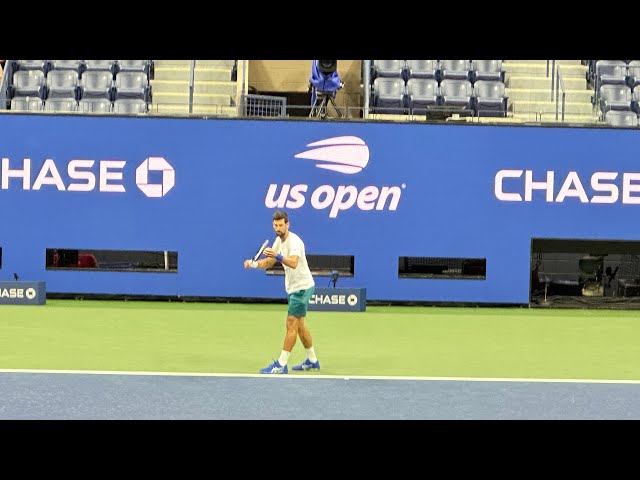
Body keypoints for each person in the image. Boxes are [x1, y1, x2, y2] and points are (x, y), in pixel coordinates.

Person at [243, 210, 320, 374]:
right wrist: (254, 264)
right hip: (294, 288)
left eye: (281, 225)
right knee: (299, 326)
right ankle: (313, 361)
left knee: (291, 324)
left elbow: (293, 263)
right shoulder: (278, 240)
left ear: (287, 224)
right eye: (275, 225)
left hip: (302, 288)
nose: (278, 228)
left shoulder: (295, 242)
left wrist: (277, 256)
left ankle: (281, 364)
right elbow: (270, 262)